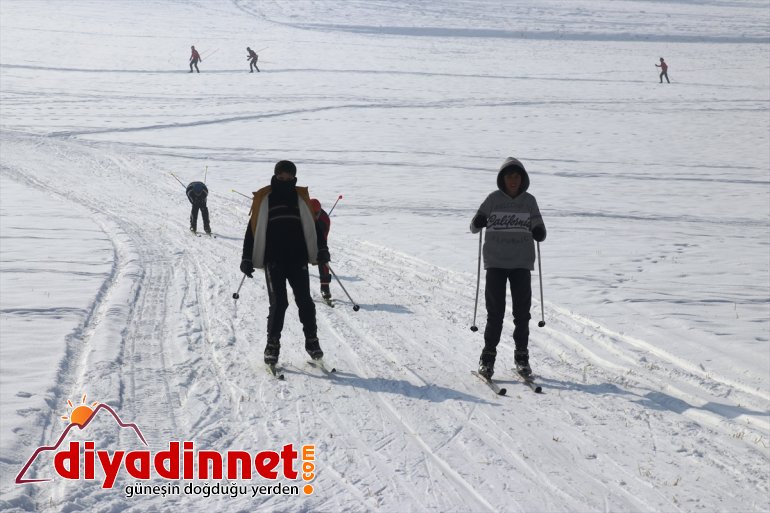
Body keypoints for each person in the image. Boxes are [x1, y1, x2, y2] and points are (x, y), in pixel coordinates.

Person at [240, 160, 330, 366]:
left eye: (289, 178)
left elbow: (314, 228)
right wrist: (246, 257)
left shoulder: (300, 199)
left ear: (294, 178)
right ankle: (272, 345)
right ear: (275, 176)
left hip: (298, 258)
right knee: (279, 303)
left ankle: (312, 341)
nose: (284, 180)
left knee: (305, 301)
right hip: (274, 260)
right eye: (281, 177)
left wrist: (322, 249)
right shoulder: (265, 198)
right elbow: (252, 230)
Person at [470, 157, 546, 379]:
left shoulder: (529, 201)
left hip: (521, 264)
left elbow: (539, 226)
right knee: (495, 313)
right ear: (502, 179)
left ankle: (522, 356)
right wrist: (479, 220)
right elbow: (474, 227)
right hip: (496, 263)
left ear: (522, 179)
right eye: (509, 176)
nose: (513, 180)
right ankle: (488, 357)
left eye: (517, 176)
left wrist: (539, 231)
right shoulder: (493, 199)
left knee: (522, 313)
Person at [310, 199, 332, 300]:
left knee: (323, 258)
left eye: (316, 214)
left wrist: (321, 251)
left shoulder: (324, 220)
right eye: (311, 213)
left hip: (319, 236)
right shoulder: (302, 213)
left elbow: (323, 241)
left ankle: (325, 288)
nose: (314, 216)